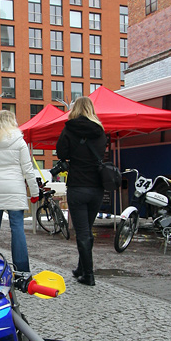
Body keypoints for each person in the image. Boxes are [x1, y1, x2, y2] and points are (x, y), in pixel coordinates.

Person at [0, 110, 39, 274]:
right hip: (14, 188)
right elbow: (28, 169)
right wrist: (34, 192)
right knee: (17, 228)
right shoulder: (19, 141)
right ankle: (22, 269)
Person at [56, 97, 106, 287]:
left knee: (83, 232)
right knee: (87, 230)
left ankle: (89, 275)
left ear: (75, 109)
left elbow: (61, 153)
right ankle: (81, 268)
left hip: (77, 186)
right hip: (97, 187)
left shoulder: (69, 129)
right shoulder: (100, 130)